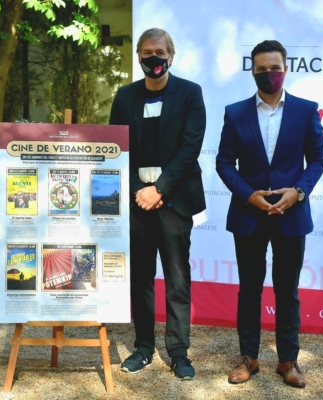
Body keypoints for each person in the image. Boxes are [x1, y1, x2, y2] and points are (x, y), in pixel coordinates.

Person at [216, 40, 323, 388]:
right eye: (261, 69)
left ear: (286, 69)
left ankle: (288, 361)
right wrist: (249, 195)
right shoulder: (235, 112)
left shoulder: (306, 110)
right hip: (249, 216)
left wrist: (298, 192)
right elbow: (223, 162)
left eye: (274, 68)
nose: (269, 74)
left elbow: (318, 160)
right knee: (249, 290)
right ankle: (248, 358)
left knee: (287, 291)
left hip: (291, 216)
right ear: (252, 71)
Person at [109, 28, 206, 380]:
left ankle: (179, 352)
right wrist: (139, 190)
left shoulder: (190, 94)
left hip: (175, 202)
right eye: (147, 52)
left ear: (171, 55)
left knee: (178, 281)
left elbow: (189, 149)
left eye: (160, 52)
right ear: (139, 56)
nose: (154, 58)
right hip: (137, 203)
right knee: (141, 280)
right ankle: (144, 348)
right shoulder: (125, 97)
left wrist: (159, 190)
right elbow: (116, 149)